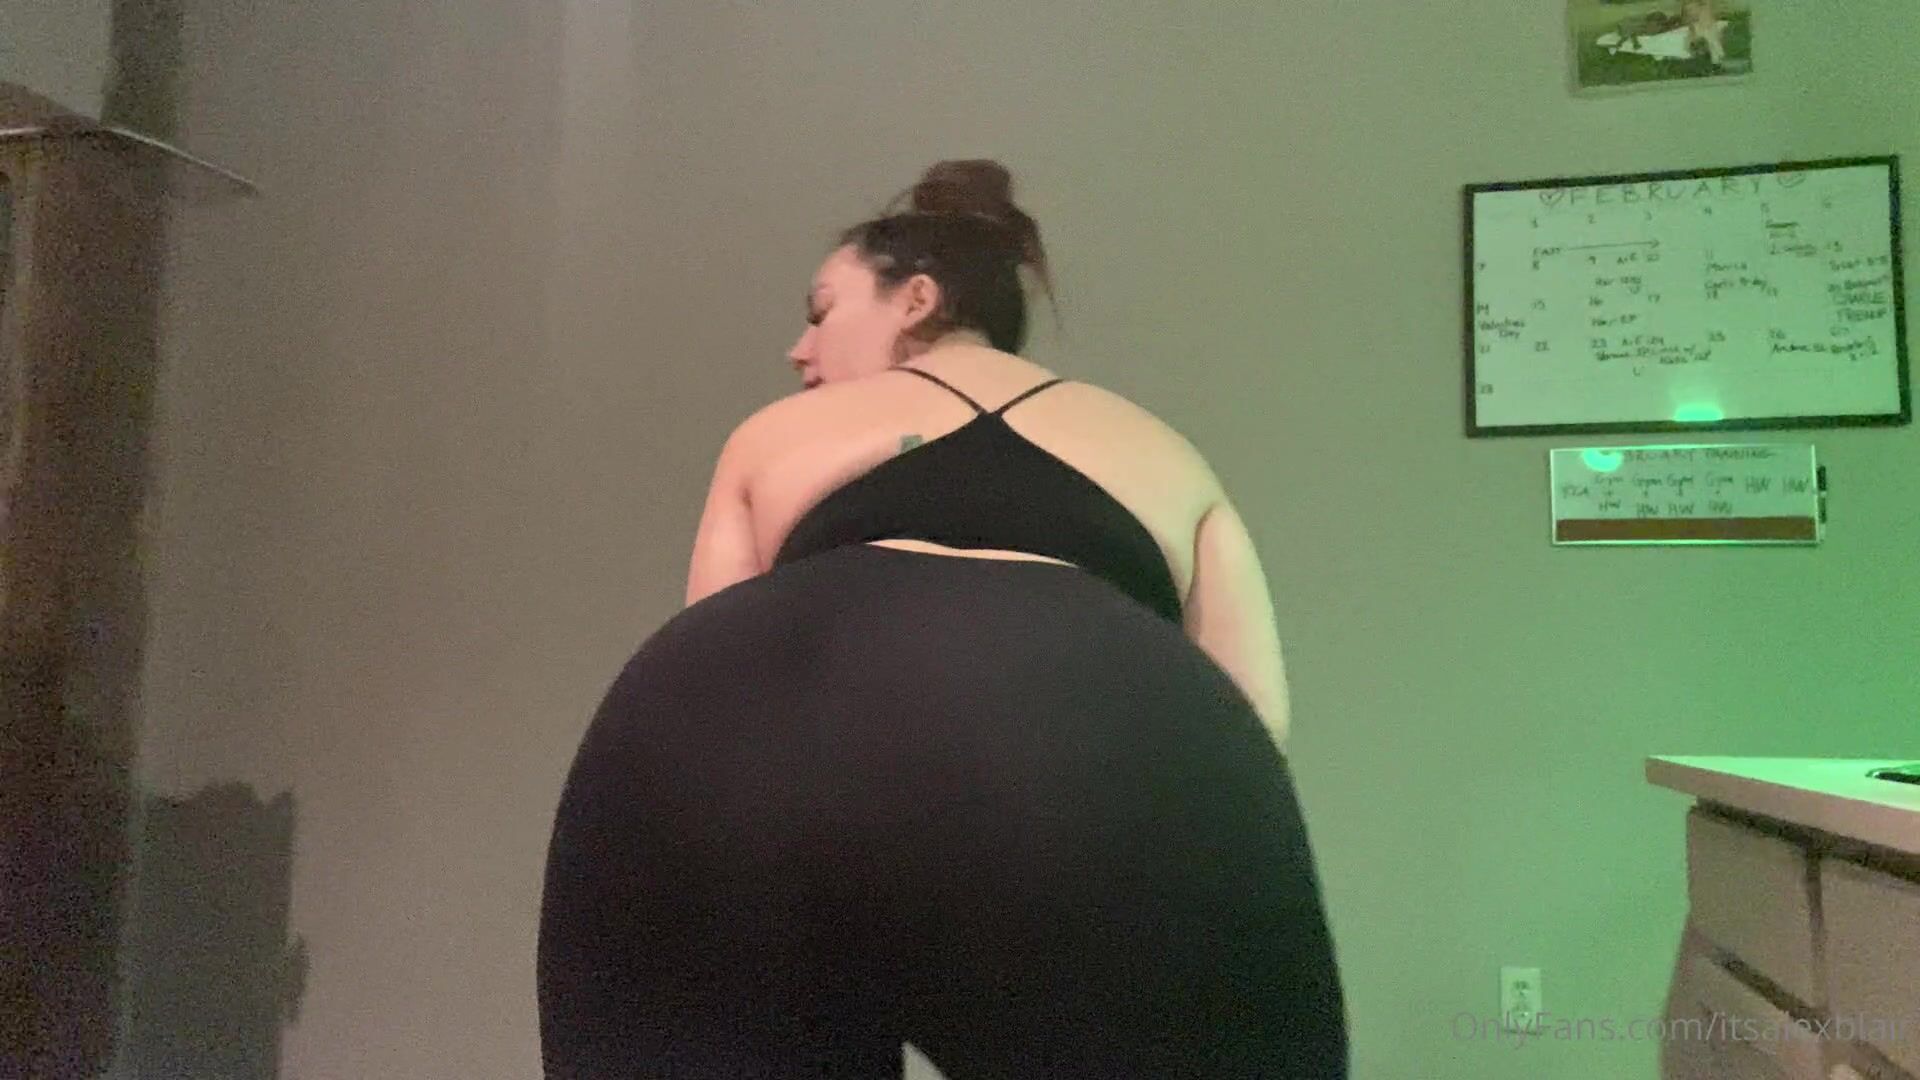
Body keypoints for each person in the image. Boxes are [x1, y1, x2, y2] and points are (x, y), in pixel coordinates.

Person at [536, 160, 1348, 1078]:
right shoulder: (1167, 454)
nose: (800, 350)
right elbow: (1254, 710)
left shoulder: (776, 434)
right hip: (1110, 762)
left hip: (770, 752)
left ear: (917, 300)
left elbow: (716, 669)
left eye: (821, 312)